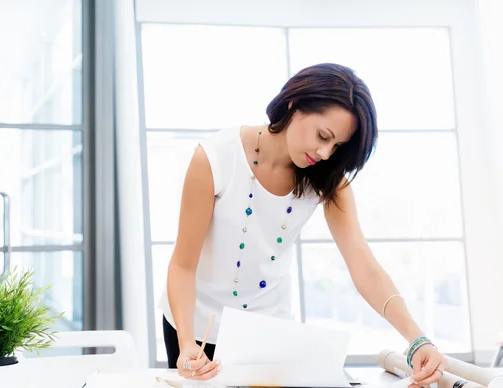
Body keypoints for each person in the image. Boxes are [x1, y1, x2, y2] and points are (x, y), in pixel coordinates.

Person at [157, 63, 446, 386]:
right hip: (194, 323)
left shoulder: (327, 180)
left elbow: (364, 266)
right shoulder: (216, 158)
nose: (324, 153)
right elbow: (182, 265)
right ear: (295, 104)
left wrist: (417, 339)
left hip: (267, 328)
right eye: (323, 136)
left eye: (336, 146)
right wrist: (186, 345)